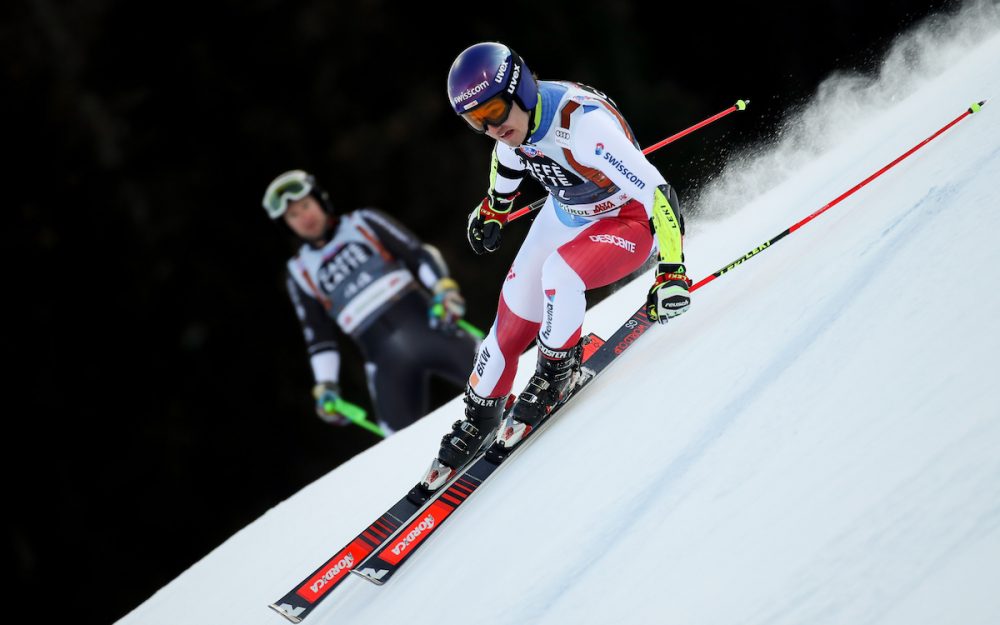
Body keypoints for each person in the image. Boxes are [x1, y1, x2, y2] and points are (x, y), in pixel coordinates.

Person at [421, 42, 690, 489]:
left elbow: (659, 195)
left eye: (491, 110)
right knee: (506, 327)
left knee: (560, 274)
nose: (490, 127)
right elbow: (506, 162)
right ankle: (481, 416)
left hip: (628, 221)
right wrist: (493, 209)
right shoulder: (514, 128)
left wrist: (672, 271)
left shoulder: (584, 127)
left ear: (519, 90)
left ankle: (555, 374)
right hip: (565, 212)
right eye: (475, 121)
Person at [262, 169, 478, 435]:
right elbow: (318, 335)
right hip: (382, 360)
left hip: (428, 326)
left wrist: (444, 289)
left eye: (306, 205)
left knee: (494, 371)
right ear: (287, 225)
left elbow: (417, 254)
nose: (304, 217)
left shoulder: (362, 222)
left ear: (320, 200)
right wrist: (326, 385)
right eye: (293, 215)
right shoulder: (299, 272)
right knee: (396, 440)